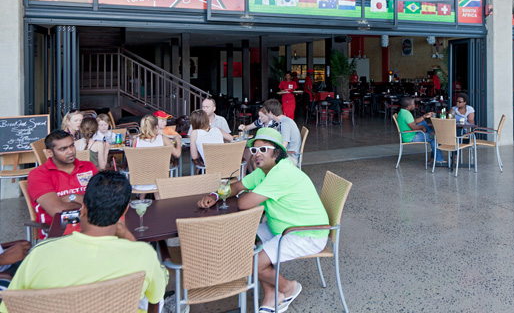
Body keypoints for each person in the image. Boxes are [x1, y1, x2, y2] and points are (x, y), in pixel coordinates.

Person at [197, 128, 328, 312]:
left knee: (251, 263)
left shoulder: (281, 173)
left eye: (263, 149)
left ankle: (288, 288)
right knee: (243, 239)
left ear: (277, 152)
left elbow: (243, 203)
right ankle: (271, 294)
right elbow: (237, 186)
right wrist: (215, 195)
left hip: (306, 233)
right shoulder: (264, 171)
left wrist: (251, 193)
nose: (257, 154)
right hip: (282, 227)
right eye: (254, 150)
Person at [1, 171, 168, 313]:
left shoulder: (40, 254)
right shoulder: (143, 255)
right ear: (124, 211)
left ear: (83, 209)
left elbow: (8, 307)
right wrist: (127, 235)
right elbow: (156, 297)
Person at [27, 130, 98, 239]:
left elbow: (103, 199)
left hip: (92, 227)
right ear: (50, 153)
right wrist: (89, 203)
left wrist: (72, 197)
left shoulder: (88, 167)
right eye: (63, 149)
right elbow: (57, 211)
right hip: (58, 234)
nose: (70, 151)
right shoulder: (38, 175)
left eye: (72, 146)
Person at [397, 97, 444, 164]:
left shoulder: (402, 112)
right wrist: (422, 127)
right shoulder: (407, 114)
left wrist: (424, 116)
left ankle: (434, 158)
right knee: (435, 137)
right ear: (409, 106)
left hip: (407, 135)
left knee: (423, 122)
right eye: (413, 104)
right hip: (411, 137)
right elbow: (414, 127)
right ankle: (438, 159)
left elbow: (414, 122)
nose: (414, 105)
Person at [263, 99, 301, 165]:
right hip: (288, 154)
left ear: (271, 112)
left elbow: (283, 146)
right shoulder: (281, 122)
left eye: (266, 112)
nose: (266, 114)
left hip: (290, 157)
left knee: (263, 160)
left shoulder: (285, 123)